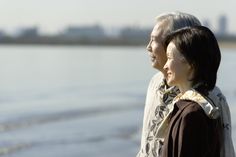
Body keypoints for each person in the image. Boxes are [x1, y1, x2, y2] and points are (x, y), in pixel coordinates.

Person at [136, 12, 235, 157]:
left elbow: (226, 151)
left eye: (154, 40)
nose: (148, 47)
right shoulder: (155, 83)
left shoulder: (210, 99)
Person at [161, 26, 223, 157]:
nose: (165, 66)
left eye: (169, 57)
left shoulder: (192, 114)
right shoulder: (192, 107)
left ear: (191, 64)